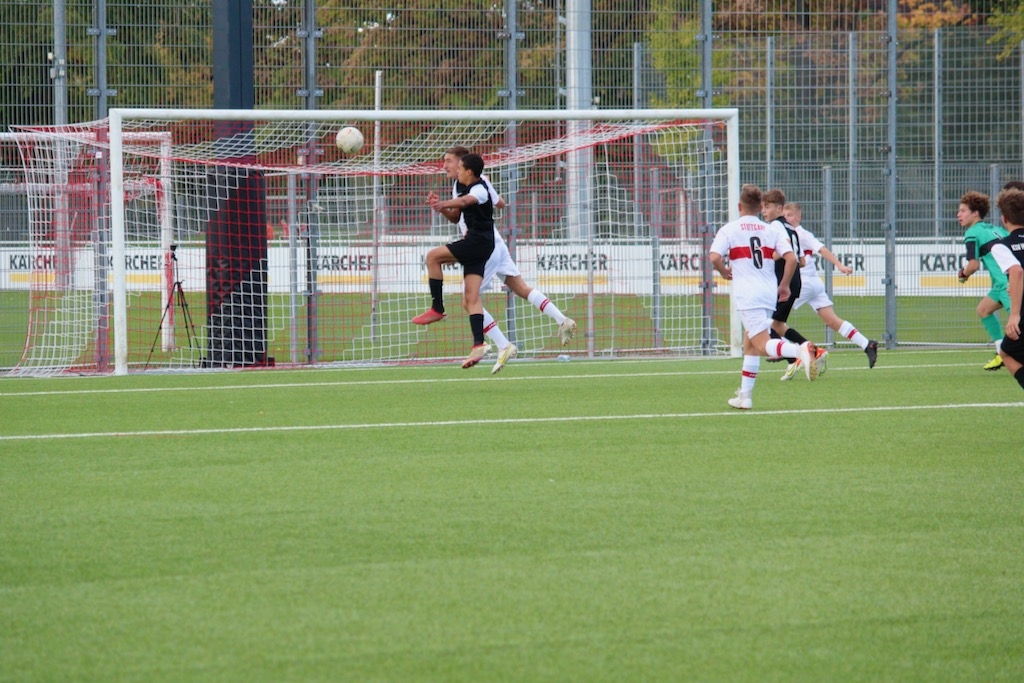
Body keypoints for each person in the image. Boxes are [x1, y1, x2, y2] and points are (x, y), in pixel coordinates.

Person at [424, 146, 577, 374]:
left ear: (463, 164)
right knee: (520, 288)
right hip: (495, 242)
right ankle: (562, 320)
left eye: (448, 161)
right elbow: (497, 204)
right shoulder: (461, 184)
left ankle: (503, 345)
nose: (444, 165)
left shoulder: (478, 184)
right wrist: (446, 208)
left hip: (485, 247)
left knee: (469, 301)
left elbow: (473, 202)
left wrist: (467, 205)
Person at [709, 184, 820, 410]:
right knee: (750, 344)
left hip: (748, 295)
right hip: (768, 292)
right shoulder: (770, 230)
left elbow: (714, 257)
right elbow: (792, 258)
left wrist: (723, 271)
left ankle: (800, 350)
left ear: (739, 206)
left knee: (761, 344)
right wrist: (784, 285)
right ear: (761, 207)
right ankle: (745, 397)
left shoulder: (730, 229)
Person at [777, 202, 879, 380]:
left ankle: (793, 353)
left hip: (804, 284)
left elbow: (822, 249)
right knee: (832, 320)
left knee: (774, 319)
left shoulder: (801, 233)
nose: (787, 218)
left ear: (799, 217)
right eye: (784, 216)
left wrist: (839, 265)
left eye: (790, 215)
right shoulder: (787, 233)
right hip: (814, 284)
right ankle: (867, 344)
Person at [413, 153, 495, 369]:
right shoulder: (463, 187)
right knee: (471, 298)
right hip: (482, 245)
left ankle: (437, 308)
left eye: (459, 168)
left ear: (469, 171)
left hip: (476, 242)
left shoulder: (479, 188)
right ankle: (478, 344)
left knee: (433, 257)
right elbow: (457, 215)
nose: (456, 171)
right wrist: (440, 207)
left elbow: (466, 201)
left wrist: (443, 203)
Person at [760, 189, 825, 373]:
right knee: (778, 325)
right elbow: (801, 260)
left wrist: (767, 257)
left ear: (779, 208)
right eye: (762, 207)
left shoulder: (775, 226)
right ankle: (813, 352)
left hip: (784, 282)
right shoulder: (790, 227)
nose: (764, 211)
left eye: (768, 207)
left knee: (763, 322)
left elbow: (787, 254)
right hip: (795, 281)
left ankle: (796, 355)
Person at [955, 190, 1010, 370]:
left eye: (963, 210)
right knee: (983, 310)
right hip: (1004, 283)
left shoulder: (972, 233)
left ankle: (1009, 354)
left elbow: (973, 265)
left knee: (1018, 321)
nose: (958, 214)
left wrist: (963, 274)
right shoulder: (997, 229)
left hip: (1008, 284)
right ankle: (1001, 353)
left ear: (975, 213)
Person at [989, 187, 1024, 390]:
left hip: (1023, 314)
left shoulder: (1002, 246)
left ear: (1004, 219)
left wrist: (1014, 315)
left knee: (1006, 352)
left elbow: (1017, 271)